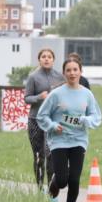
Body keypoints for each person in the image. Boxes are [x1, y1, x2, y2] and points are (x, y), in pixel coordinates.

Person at [36, 56, 102, 202]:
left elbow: (96, 116)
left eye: (75, 70)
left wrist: (86, 120)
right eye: (68, 70)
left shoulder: (87, 94)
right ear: (64, 73)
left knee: (74, 180)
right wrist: (52, 125)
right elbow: (42, 115)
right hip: (59, 140)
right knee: (62, 181)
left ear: (80, 72)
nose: (72, 73)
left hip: (79, 140)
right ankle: (54, 184)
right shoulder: (56, 94)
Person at [24, 48, 65, 191]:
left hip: (52, 121)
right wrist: (38, 97)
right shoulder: (33, 77)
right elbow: (26, 98)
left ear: (53, 60)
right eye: (43, 56)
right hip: (35, 120)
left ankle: (51, 189)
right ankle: (40, 188)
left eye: (49, 57)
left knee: (51, 154)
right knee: (38, 156)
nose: (46, 59)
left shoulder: (60, 77)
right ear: (39, 60)